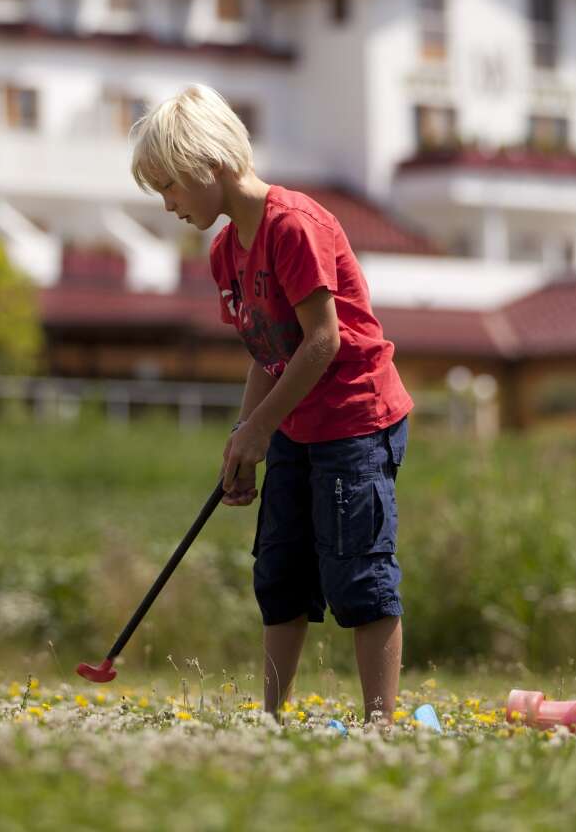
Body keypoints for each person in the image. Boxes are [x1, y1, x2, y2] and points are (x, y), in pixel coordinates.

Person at [129, 82, 413, 726]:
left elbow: (322, 341)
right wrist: (244, 438)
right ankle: (272, 718)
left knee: (357, 572)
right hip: (293, 422)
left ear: (209, 165)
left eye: (170, 186)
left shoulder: (294, 226)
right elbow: (267, 350)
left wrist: (260, 428)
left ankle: (382, 726)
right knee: (280, 569)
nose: (169, 204)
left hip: (354, 419)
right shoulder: (226, 252)